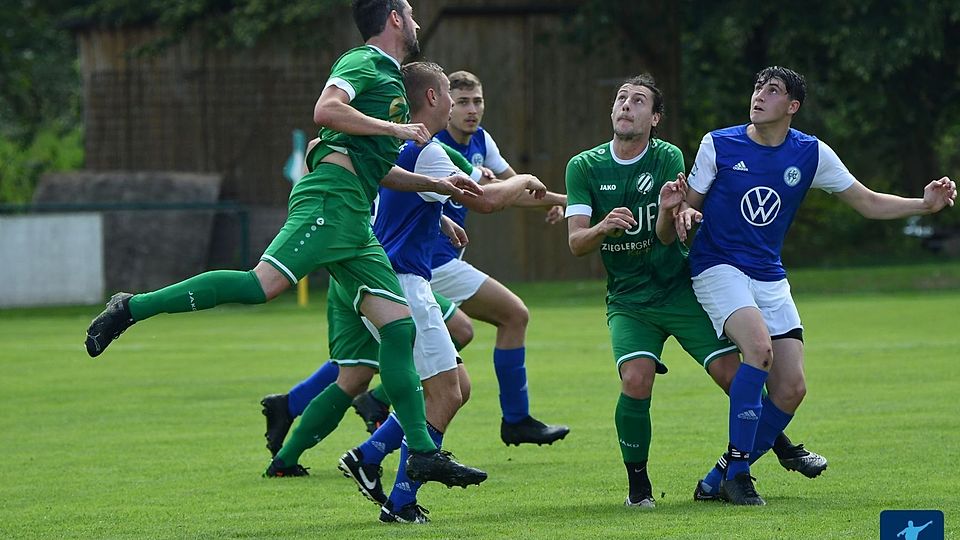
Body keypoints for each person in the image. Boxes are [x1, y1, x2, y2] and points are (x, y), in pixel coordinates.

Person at [84, 0, 489, 488]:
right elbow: (325, 110)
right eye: (411, 13)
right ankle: (132, 307)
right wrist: (393, 127)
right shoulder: (363, 61)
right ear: (395, 19)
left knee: (399, 327)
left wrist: (442, 192)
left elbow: (377, 168)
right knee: (261, 286)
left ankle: (422, 452)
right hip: (329, 202)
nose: (419, 22)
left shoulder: (389, 79)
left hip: (356, 218)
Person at [658, 66, 956, 505]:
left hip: (769, 274)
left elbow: (868, 202)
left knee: (792, 389)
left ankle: (714, 477)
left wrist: (925, 205)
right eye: (758, 87)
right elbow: (680, 220)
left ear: (792, 107)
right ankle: (738, 475)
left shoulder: (811, 153)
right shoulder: (717, 144)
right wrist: (679, 214)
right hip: (718, 266)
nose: (759, 95)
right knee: (758, 349)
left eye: (772, 90)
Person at [272, 61, 547, 524]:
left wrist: (437, 217)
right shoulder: (431, 150)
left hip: (390, 278)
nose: (462, 105)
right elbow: (489, 198)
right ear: (435, 99)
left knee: (456, 386)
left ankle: (369, 454)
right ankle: (400, 501)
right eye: (451, 94)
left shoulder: (392, 145)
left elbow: (400, 194)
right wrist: (524, 180)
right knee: (441, 393)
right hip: (402, 283)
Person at [427, 70, 570, 445]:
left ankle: (370, 403)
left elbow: (513, 183)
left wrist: (545, 204)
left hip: (437, 259)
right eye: (462, 103)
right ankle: (517, 419)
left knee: (370, 363)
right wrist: (568, 203)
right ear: (444, 105)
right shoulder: (437, 145)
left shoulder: (481, 140)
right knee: (512, 315)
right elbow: (496, 193)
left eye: (478, 101)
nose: (472, 111)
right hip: (432, 261)